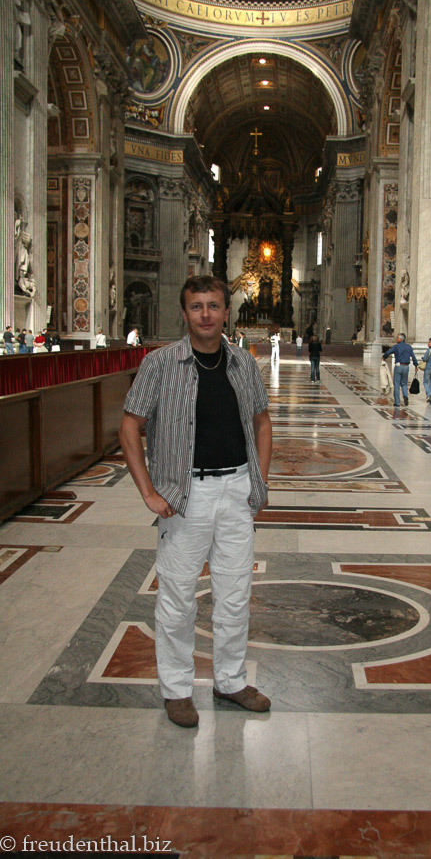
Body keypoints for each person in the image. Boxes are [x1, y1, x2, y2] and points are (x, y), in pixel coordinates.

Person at [119, 275, 272, 729]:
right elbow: (129, 427)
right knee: (178, 598)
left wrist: (259, 482)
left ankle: (230, 680)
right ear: (183, 314)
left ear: (227, 312)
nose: (205, 314)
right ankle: (177, 689)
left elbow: (262, 423)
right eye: (196, 306)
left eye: (213, 306)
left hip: (236, 493)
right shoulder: (160, 364)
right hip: (186, 496)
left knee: (233, 595)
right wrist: (148, 491)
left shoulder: (244, 363)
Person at [383, 333, 418, 407]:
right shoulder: (409, 347)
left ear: (401, 339)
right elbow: (413, 357)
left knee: (397, 384)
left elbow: (388, 352)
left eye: (397, 338)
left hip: (398, 366)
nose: (396, 339)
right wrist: (416, 365)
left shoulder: (396, 347)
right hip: (406, 367)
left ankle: (397, 402)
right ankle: (405, 395)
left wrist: (384, 357)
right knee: (404, 383)